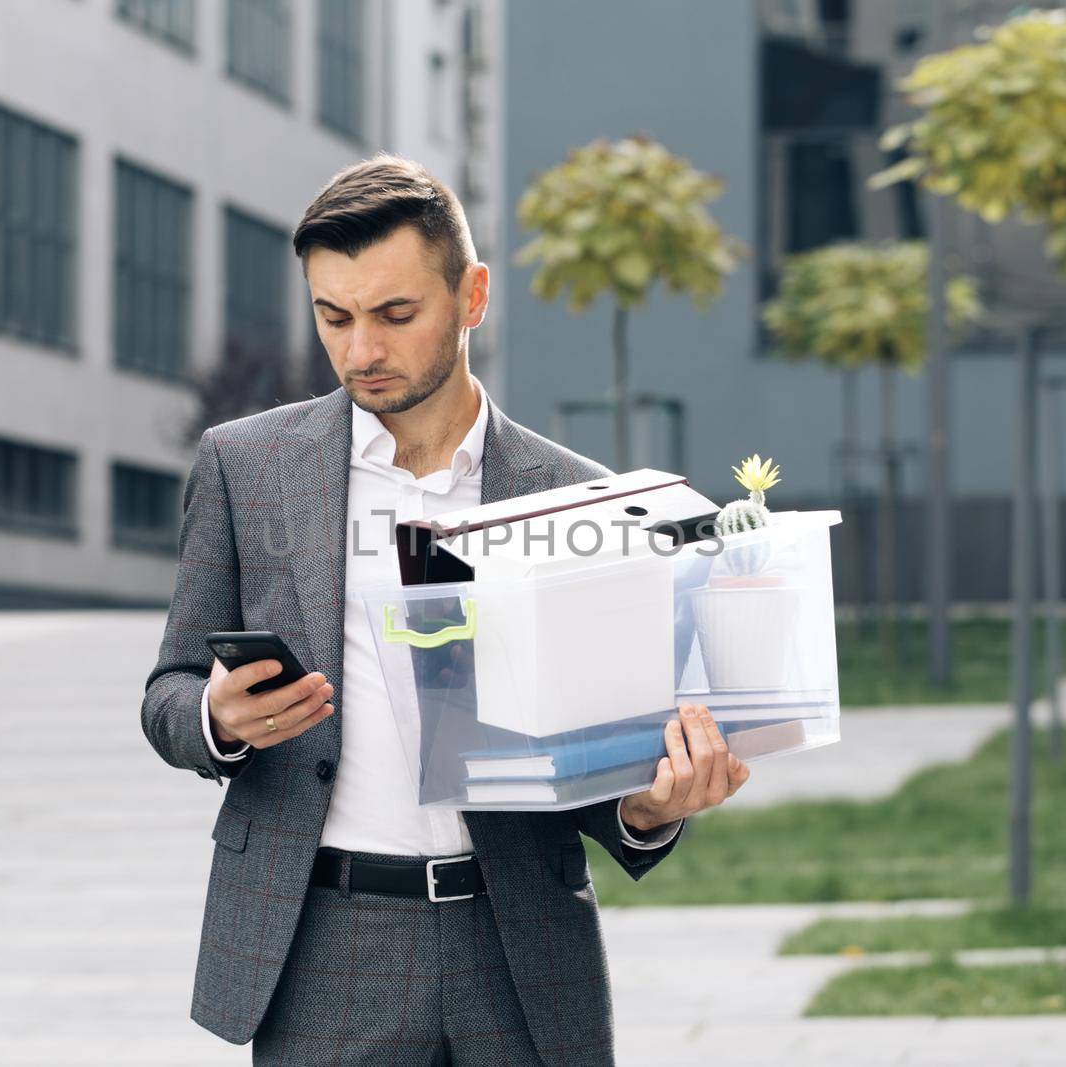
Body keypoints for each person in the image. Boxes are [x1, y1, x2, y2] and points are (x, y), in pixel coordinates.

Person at [141, 153, 752, 1066]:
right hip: (321, 945)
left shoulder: (576, 498)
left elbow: (601, 748)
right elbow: (169, 692)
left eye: (394, 314)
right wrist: (214, 719)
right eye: (332, 316)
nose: (360, 351)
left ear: (472, 297)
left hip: (515, 946)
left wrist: (652, 808)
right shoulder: (246, 467)